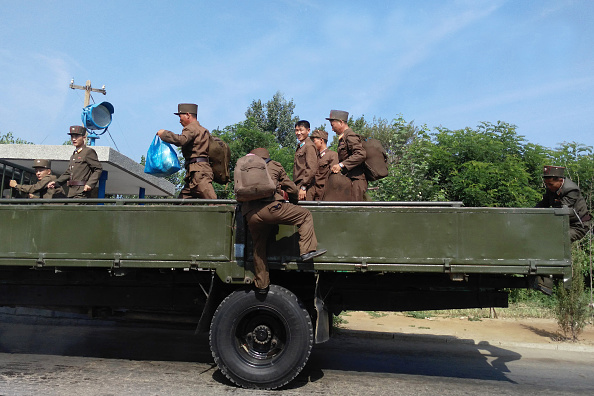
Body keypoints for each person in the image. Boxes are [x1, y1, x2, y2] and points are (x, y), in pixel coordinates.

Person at [240, 148, 326, 293]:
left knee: (258, 247)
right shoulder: (274, 165)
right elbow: (290, 188)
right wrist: (294, 201)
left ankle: (261, 285)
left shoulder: (245, 169)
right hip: (270, 209)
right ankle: (307, 251)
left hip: (250, 214)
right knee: (304, 215)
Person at [157, 103, 216, 199]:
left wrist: (164, 134)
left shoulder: (191, 128)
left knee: (215, 204)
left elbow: (181, 140)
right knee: (181, 205)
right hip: (195, 173)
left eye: (180, 117)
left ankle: (232, 213)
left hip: (199, 173)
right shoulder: (203, 130)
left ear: (188, 115)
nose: (179, 121)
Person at [536, 165, 591, 242]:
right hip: (562, 224)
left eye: (550, 184)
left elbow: (561, 210)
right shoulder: (551, 189)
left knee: (557, 240)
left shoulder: (571, 190)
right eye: (546, 184)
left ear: (560, 180)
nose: (548, 187)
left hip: (578, 226)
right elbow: (542, 205)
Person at [48, 126, 103, 198]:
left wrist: (90, 184)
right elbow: (69, 172)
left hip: (82, 192)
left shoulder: (88, 152)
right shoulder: (74, 155)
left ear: (84, 137)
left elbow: (98, 169)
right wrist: (56, 182)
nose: (74, 139)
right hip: (72, 192)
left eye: (77, 136)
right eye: (72, 136)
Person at [327, 110, 367, 201]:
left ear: (341, 122)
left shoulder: (350, 135)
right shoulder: (343, 137)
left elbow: (361, 154)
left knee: (355, 212)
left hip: (356, 181)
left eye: (333, 125)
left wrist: (341, 165)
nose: (332, 129)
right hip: (349, 180)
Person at [310, 129, 339, 201]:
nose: (313, 144)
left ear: (321, 140)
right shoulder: (314, 157)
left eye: (314, 141)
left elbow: (334, 177)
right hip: (314, 194)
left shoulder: (332, 155)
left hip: (325, 195)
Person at [293, 120, 318, 201]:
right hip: (298, 185)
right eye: (296, 130)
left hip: (306, 187)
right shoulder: (301, 146)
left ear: (308, 131)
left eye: (301, 130)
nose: (298, 133)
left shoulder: (309, 146)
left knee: (306, 211)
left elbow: (311, 168)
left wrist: (304, 187)